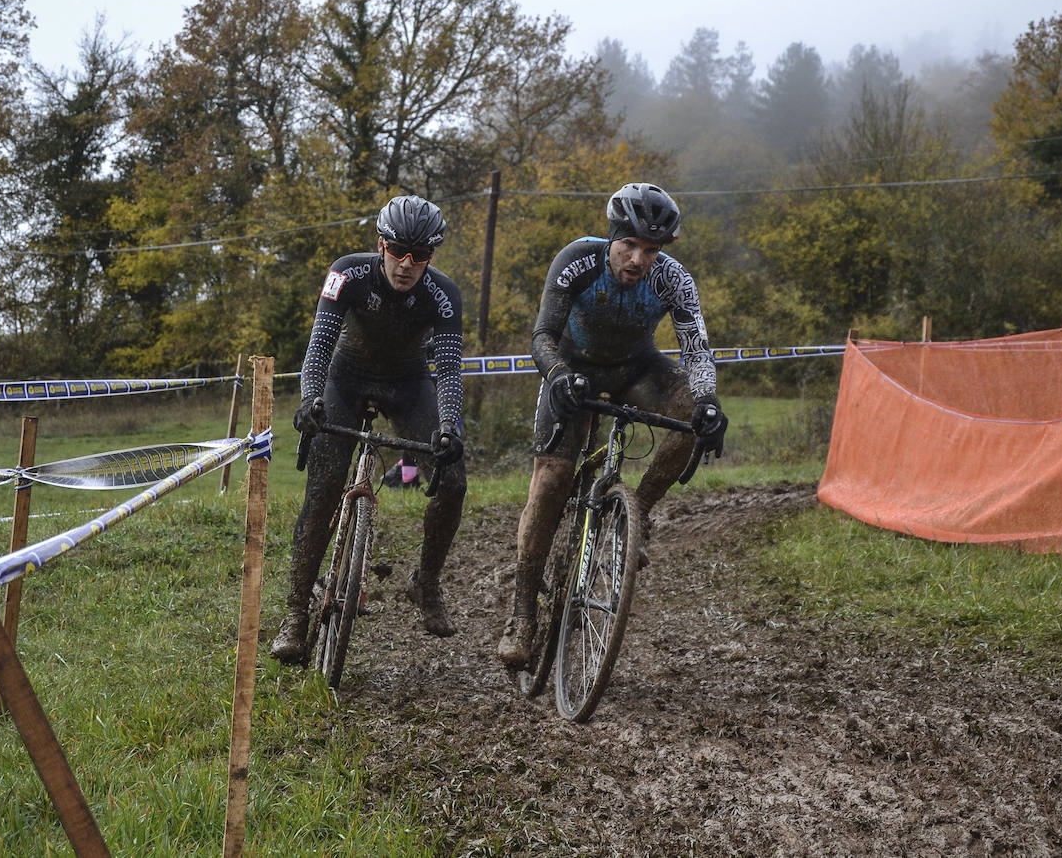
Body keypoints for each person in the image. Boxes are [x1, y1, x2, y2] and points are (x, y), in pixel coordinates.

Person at [496, 182, 727, 669]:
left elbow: (697, 351)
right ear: (612, 237)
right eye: (630, 245)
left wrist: (708, 402)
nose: (639, 259)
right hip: (573, 370)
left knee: (691, 407)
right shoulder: (577, 261)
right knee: (552, 482)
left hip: (636, 370)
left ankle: (636, 514)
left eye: (651, 250)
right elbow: (542, 335)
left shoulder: (672, 279)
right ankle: (521, 617)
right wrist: (557, 374)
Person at [272, 194, 467, 665]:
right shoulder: (348, 273)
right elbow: (318, 345)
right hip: (346, 377)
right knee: (323, 488)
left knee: (453, 481)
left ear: (430, 257)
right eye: (398, 251)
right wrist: (311, 399)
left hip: (409, 383)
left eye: (419, 256)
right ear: (381, 245)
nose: (406, 264)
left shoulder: (444, 294)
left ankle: (426, 581)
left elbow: (450, 371)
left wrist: (448, 426)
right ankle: (296, 614)